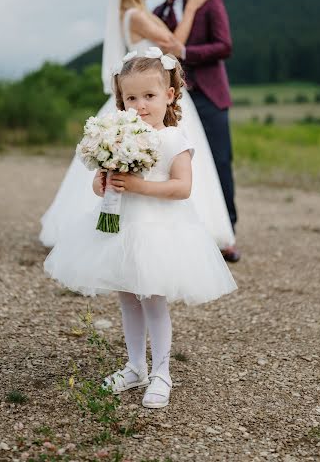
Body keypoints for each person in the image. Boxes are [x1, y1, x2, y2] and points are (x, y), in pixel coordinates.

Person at [44, 51, 237, 409]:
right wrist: (104, 182)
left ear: (169, 95)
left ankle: (162, 371)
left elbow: (182, 188)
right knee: (127, 296)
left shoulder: (174, 140)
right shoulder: (118, 136)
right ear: (121, 100)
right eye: (131, 98)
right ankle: (135, 366)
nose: (140, 105)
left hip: (158, 229)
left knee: (153, 298)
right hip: (121, 228)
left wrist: (138, 186)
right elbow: (99, 187)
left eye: (149, 96)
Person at [40, 0, 235, 252]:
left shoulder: (145, 13)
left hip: (155, 95)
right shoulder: (137, 15)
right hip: (148, 98)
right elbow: (173, 48)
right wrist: (192, 7)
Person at [152, 0, 241, 262]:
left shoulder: (208, 1)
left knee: (218, 162)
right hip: (173, 101)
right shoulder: (157, 11)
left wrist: (185, 51)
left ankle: (226, 233)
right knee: (177, 164)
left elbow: (224, 45)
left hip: (209, 95)